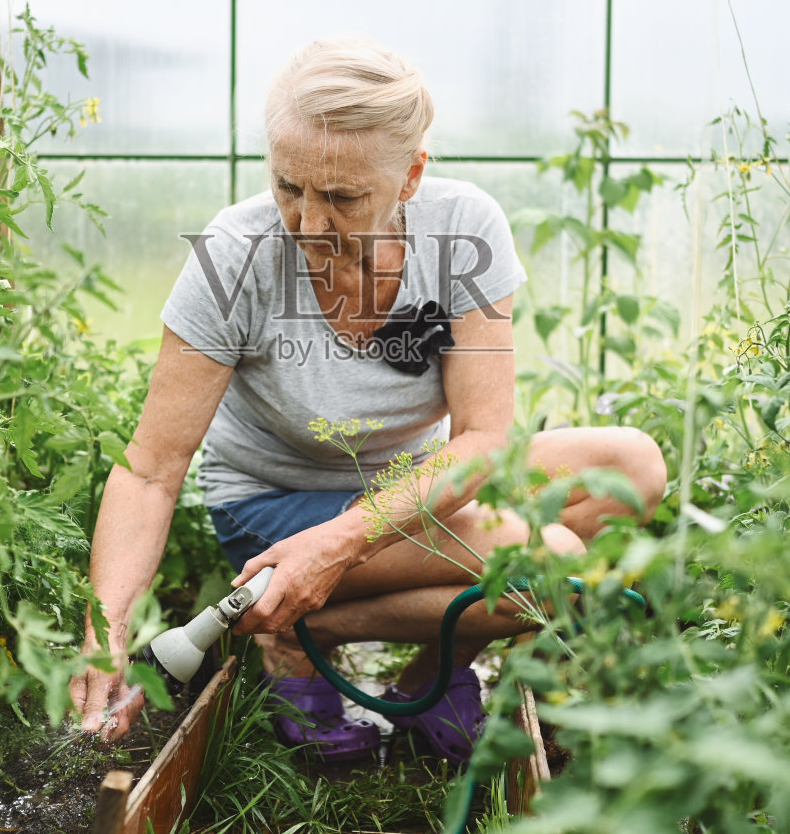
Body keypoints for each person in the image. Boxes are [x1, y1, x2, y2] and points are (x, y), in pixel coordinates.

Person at [69, 37, 666, 763]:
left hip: (416, 489)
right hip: (276, 508)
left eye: (342, 197)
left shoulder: (463, 230)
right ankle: (296, 622)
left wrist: (342, 544)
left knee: (631, 467)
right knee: (553, 563)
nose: (307, 222)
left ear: (411, 175)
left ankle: (336, 642)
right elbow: (150, 470)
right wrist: (105, 634)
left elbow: (482, 440)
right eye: (288, 186)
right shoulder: (236, 253)